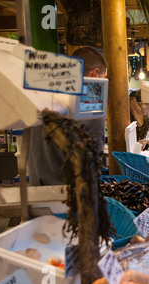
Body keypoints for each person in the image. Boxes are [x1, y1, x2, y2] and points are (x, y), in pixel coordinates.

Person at [28, 47, 108, 186]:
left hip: (37, 188)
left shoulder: (44, 92)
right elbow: (94, 160)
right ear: (95, 73)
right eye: (104, 77)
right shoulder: (91, 99)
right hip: (70, 195)